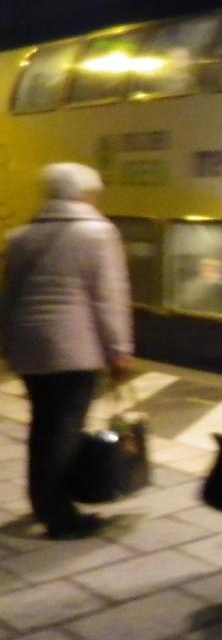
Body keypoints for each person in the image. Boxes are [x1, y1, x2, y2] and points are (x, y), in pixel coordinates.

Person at [0, 163, 132, 539]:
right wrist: (119, 350)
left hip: (29, 347)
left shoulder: (20, 236)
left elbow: (9, 295)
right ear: (84, 193)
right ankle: (59, 517)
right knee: (62, 431)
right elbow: (109, 296)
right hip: (72, 349)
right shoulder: (98, 232)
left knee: (45, 425)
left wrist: (8, 344)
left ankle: (42, 499)